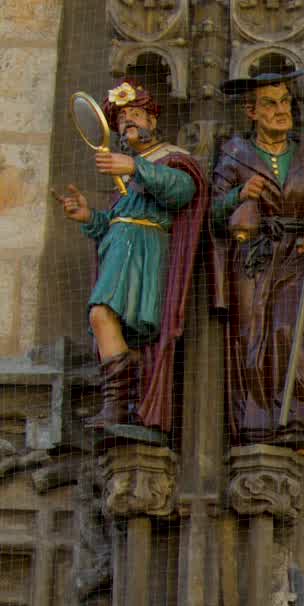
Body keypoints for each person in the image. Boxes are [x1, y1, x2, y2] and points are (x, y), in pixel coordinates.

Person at [53, 79, 208, 435]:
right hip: (120, 251)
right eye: (122, 120)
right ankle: (120, 403)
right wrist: (88, 217)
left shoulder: (172, 159)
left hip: (146, 253)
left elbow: (184, 192)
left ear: (153, 120)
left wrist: (135, 168)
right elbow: (114, 223)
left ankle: (119, 404)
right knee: (103, 318)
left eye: (136, 114)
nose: (128, 123)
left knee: (102, 314)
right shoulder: (130, 171)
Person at [211, 69, 304, 450]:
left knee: (291, 331)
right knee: (252, 336)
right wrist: (237, 197)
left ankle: (300, 415)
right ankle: (257, 419)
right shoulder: (235, 155)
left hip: (295, 254)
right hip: (252, 254)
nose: (281, 111)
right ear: (251, 112)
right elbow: (213, 214)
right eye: (270, 104)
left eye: (285, 102)